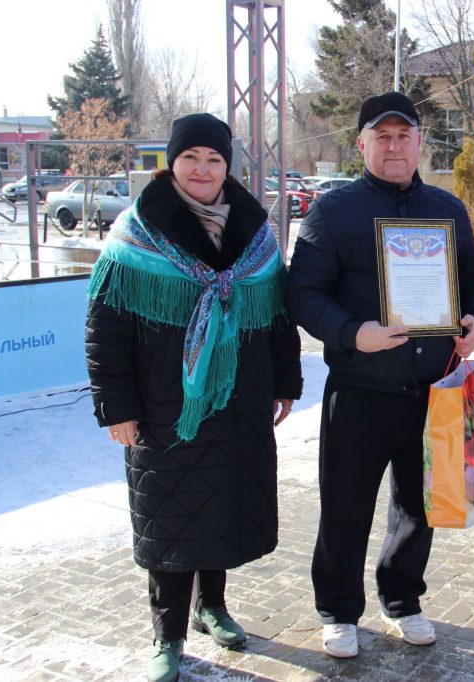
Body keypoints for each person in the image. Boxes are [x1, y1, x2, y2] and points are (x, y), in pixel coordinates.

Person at [85, 113, 303, 682]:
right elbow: (105, 328)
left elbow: (279, 316)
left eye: (214, 159)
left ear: (227, 167)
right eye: (190, 158)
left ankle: (213, 607)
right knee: (169, 519)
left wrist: (286, 382)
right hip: (167, 407)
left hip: (239, 400)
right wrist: (117, 408)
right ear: (172, 164)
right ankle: (167, 634)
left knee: (221, 507)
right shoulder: (136, 234)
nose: (202, 170)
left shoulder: (256, 235)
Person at [286, 91, 474, 658]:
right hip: (360, 391)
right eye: (383, 137)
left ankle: (402, 597)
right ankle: (338, 610)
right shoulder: (333, 212)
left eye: (405, 136)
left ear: (420, 143)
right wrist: (353, 333)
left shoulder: (447, 210)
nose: (395, 146)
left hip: (431, 393)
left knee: (419, 506)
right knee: (345, 507)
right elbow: (303, 293)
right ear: (362, 145)